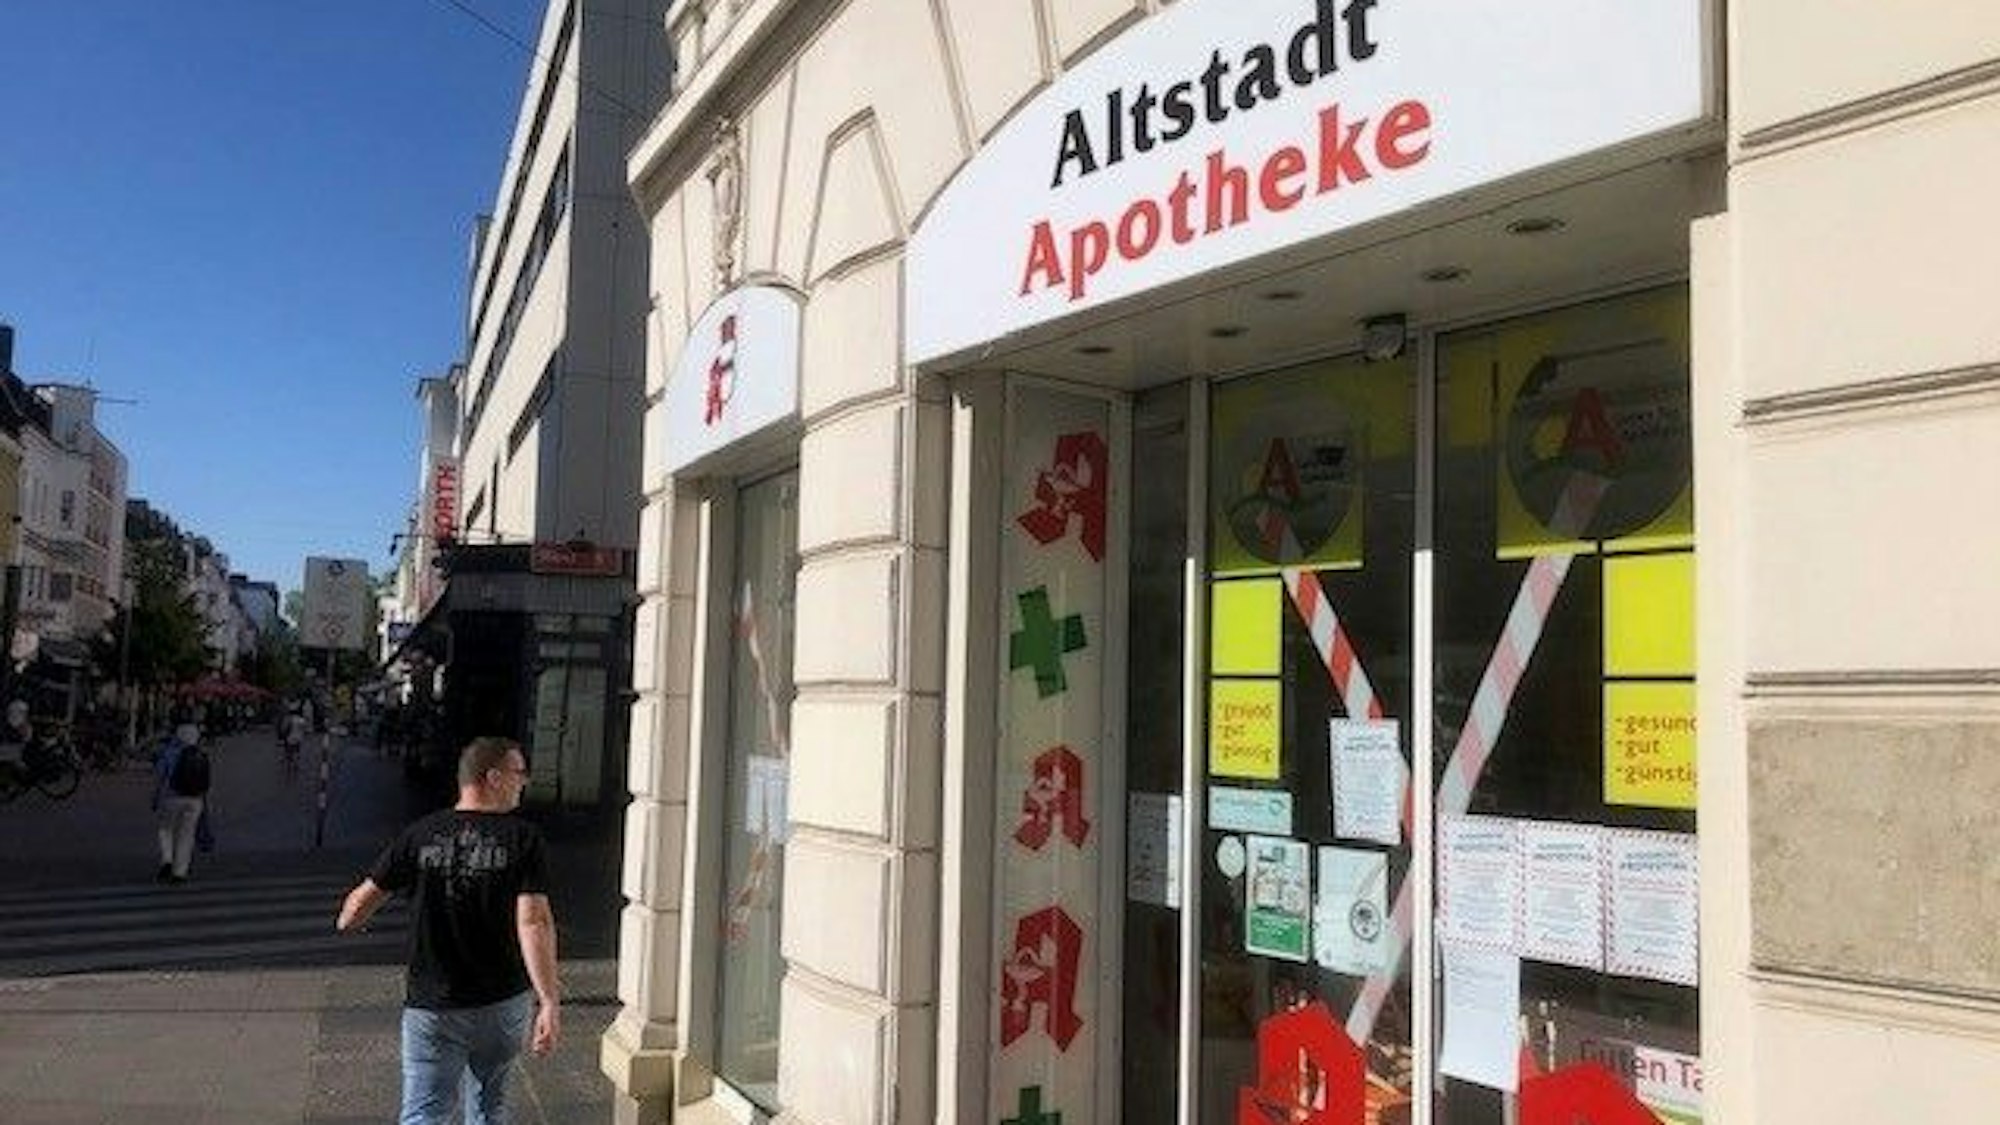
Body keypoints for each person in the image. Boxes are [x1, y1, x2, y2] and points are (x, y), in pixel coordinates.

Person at [336, 738, 561, 1125]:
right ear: (492, 777)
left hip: (433, 1003)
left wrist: (352, 922)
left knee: (425, 1111)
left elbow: (359, 903)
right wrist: (549, 1000)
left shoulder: (420, 834)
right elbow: (533, 922)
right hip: (502, 1001)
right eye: (518, 773)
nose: (523, 783)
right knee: (491, 1107)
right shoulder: (524, 839)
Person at [152, 723, 210, 883]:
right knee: (187, 835)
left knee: (165, 830)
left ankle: (167, 860)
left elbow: (160, 777)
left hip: (171, 797)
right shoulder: (201, 754)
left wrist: (155, 798)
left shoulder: (169, 752)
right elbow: (206, 781)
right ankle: (180, 873)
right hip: (195, 800)